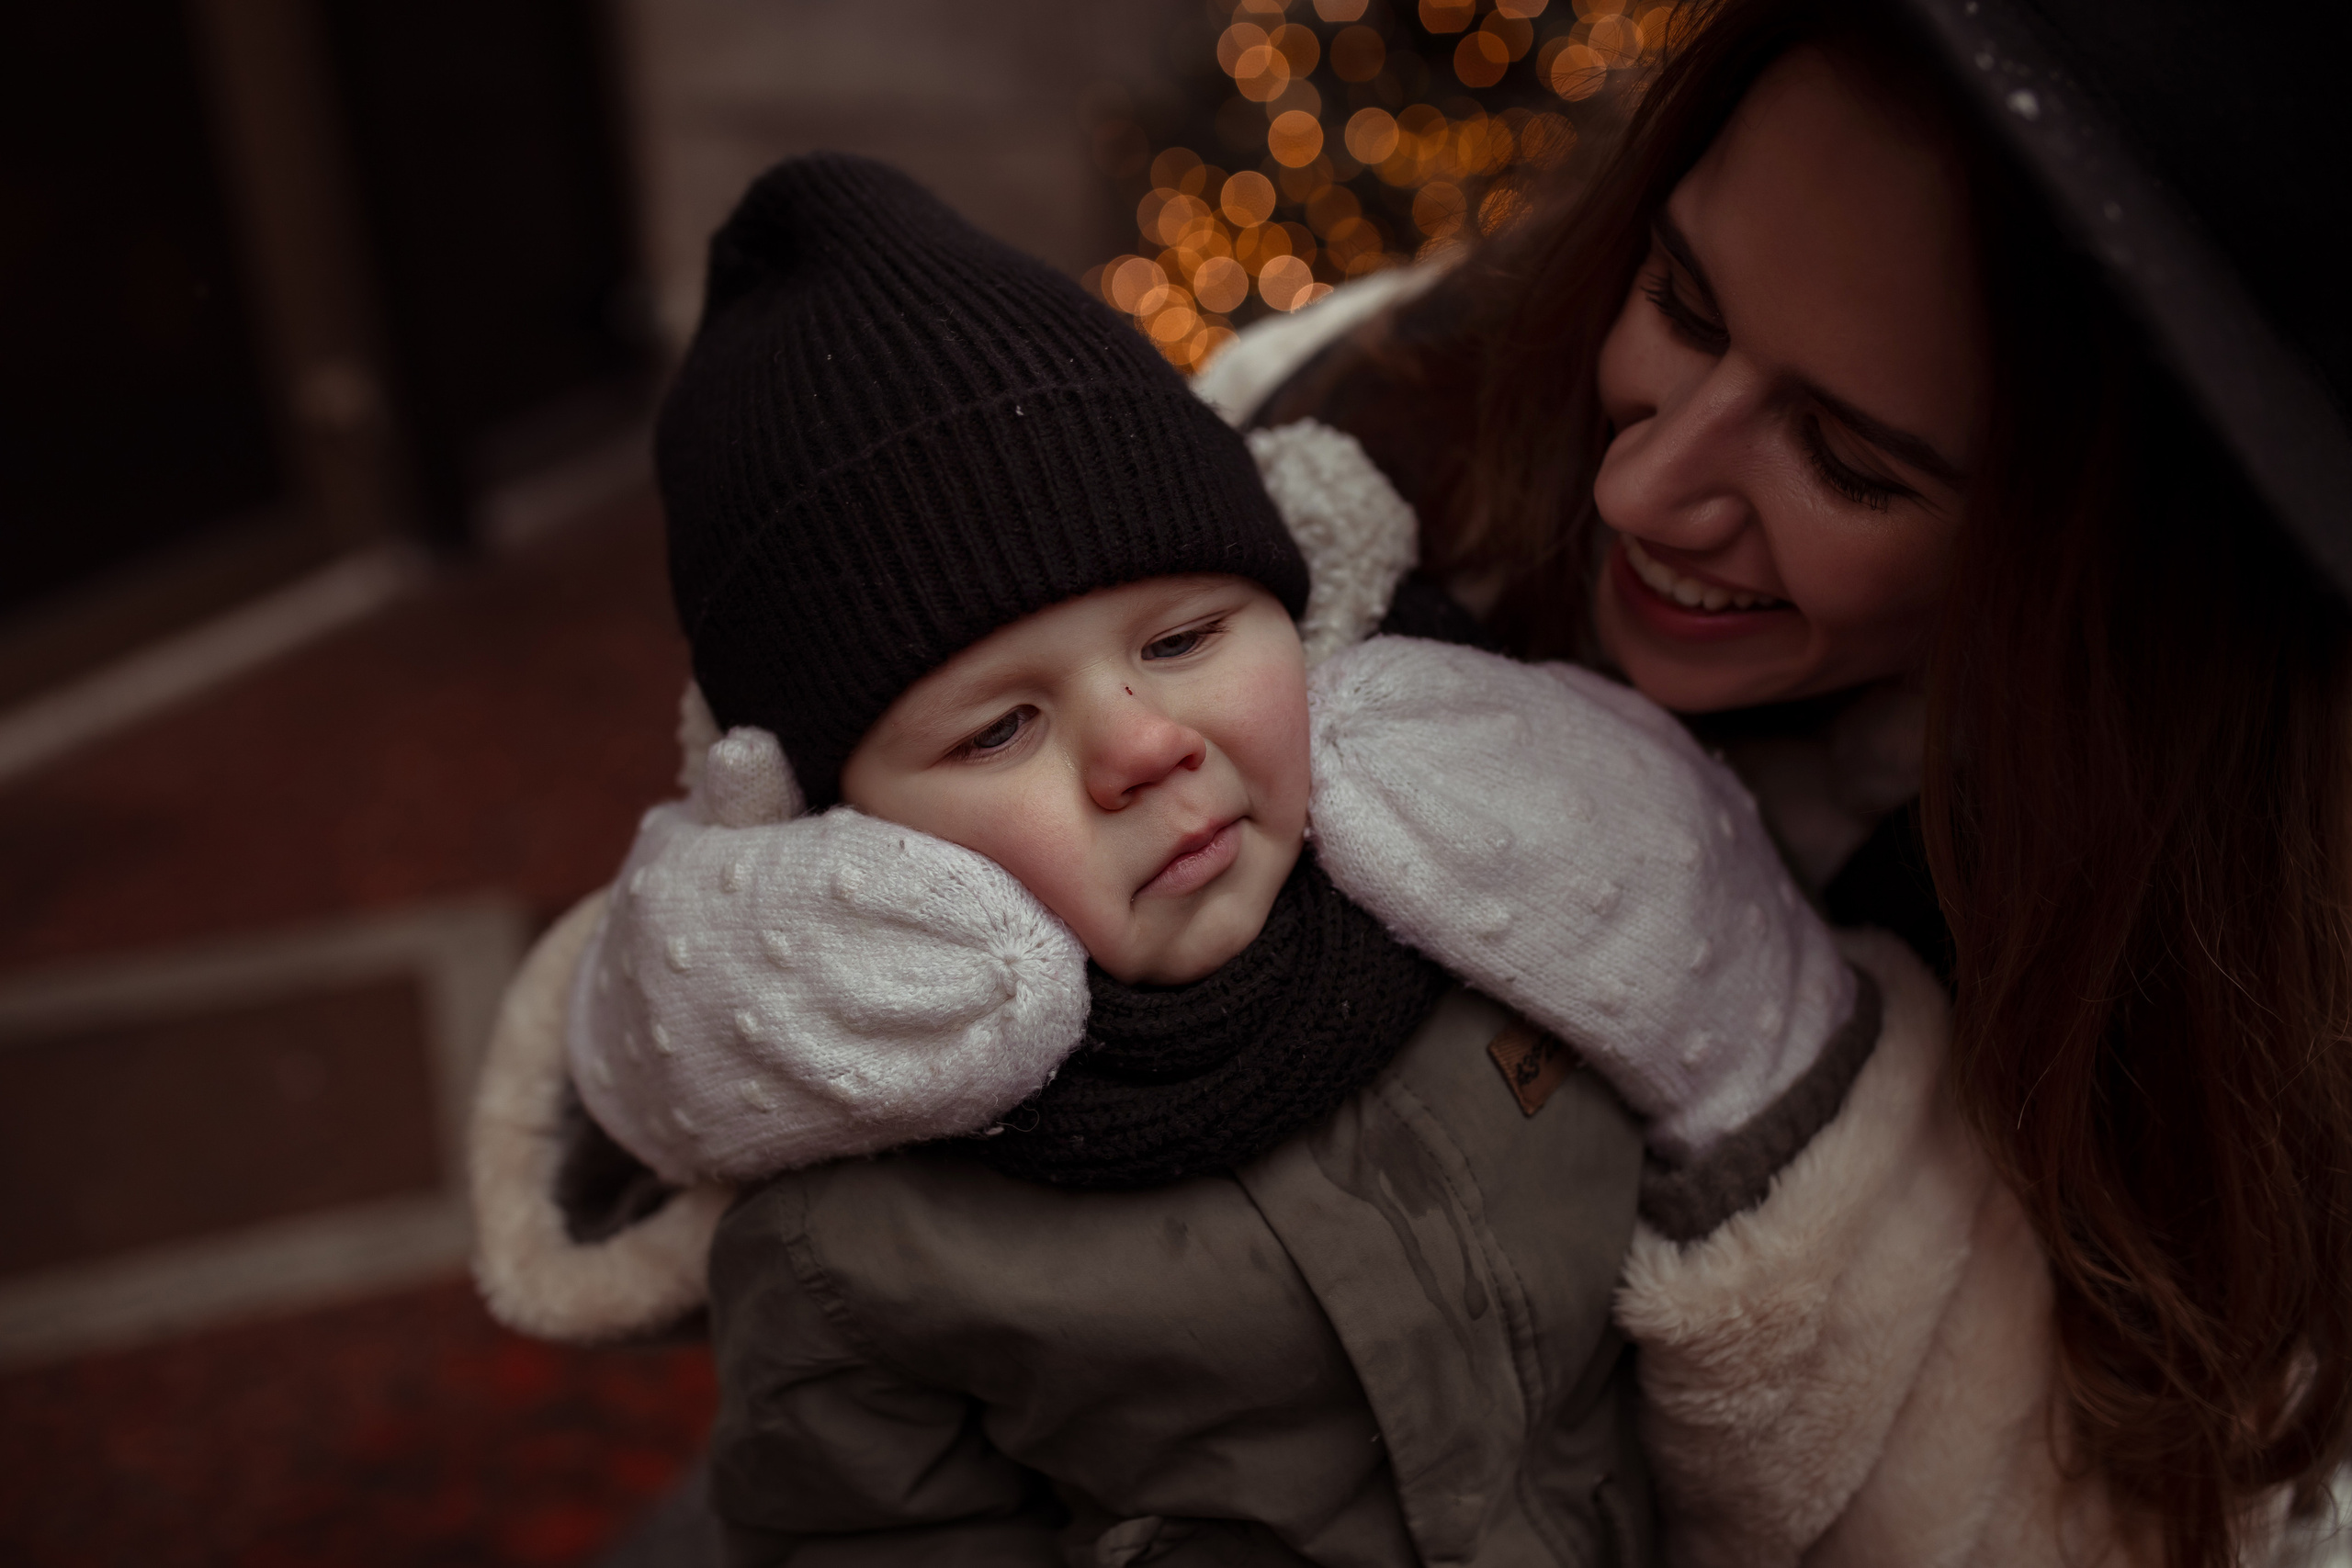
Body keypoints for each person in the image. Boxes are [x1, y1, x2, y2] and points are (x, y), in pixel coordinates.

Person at [469, 153, 1879, 1565]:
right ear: (851, 845)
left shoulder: (1510, 921)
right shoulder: (855, 1245)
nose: (1142, 745)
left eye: (1185, 640)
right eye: (1001, 727)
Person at [1193, 0, 2352, 1563]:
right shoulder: (1350, 433)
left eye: (1853, 464)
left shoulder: (2245, 1015)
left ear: (2112, 579)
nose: (1638, 488)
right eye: (1680, 301)